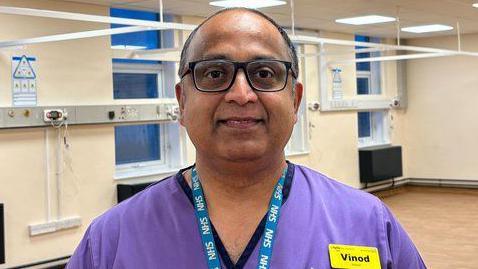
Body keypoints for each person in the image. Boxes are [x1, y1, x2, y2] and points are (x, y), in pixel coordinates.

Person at [67, 8, 426, 269]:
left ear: (295, 99)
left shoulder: (369, 225)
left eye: (265, 73)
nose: (241, 94)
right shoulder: (110, 241)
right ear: (182, 100)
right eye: (214, 72)